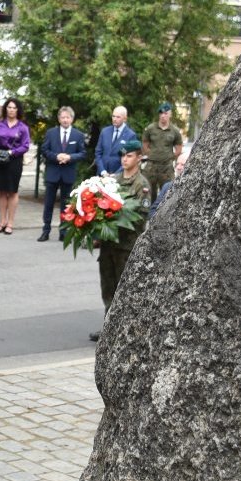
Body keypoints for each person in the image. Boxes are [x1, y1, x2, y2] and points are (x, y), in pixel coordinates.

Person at [92, 138, 154, 342]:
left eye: (129, 156)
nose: (124, 159)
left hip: (126, 246)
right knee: (107, 286)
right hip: (109, 245)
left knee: (123, 288)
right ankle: (108, 328)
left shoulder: (141, 184)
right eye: (123, 155)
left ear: (138, 158)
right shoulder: (114, 181)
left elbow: (140, 216)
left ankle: (123, 331)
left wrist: (117, 220)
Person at [0, 97, 32, 234]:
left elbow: (26, 145)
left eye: (14, 108)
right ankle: (2, 221)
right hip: (0, 159)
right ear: (5, 109)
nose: (11, 110)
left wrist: (13, 152)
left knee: (12, 191)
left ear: (18, 110)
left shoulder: (22, 127)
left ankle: (10, 222)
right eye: (9, 107)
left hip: (14, 159)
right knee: (2, 190)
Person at [39, 106, 85, 242]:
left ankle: (63, 231)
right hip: (53, 172)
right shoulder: (51, 133)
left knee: (66, 204)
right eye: (63, 117)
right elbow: (44, 150)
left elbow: (82, 153)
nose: (65, 120)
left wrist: (70, 157)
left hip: (68, 173)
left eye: (68, 117)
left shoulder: (78, 135)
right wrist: (56, 156)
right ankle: (45, 230)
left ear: (72, 119)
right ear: (59, 119)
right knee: (48, 203)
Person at [141, 102, 186, 193]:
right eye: (161, 113)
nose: (163, 116)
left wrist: (170, 157)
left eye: (165, 113)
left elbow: (179, 148)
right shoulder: (151, 128)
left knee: (167, 192)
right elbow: (145, 143)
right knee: (148, 191)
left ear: (170, 114)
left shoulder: (174, 131)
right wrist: (150, 154)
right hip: (151, 166)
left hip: (166, 167)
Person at [94, 104, 132, 176]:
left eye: (118, 117)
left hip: (119, 176)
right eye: (113, 116)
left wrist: (116, 174)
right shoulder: (105, 131)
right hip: (101, 175)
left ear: (125, 119)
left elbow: (129, 158)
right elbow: (98, 153)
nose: (114, 119)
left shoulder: (130, 135)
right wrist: (102, 171)